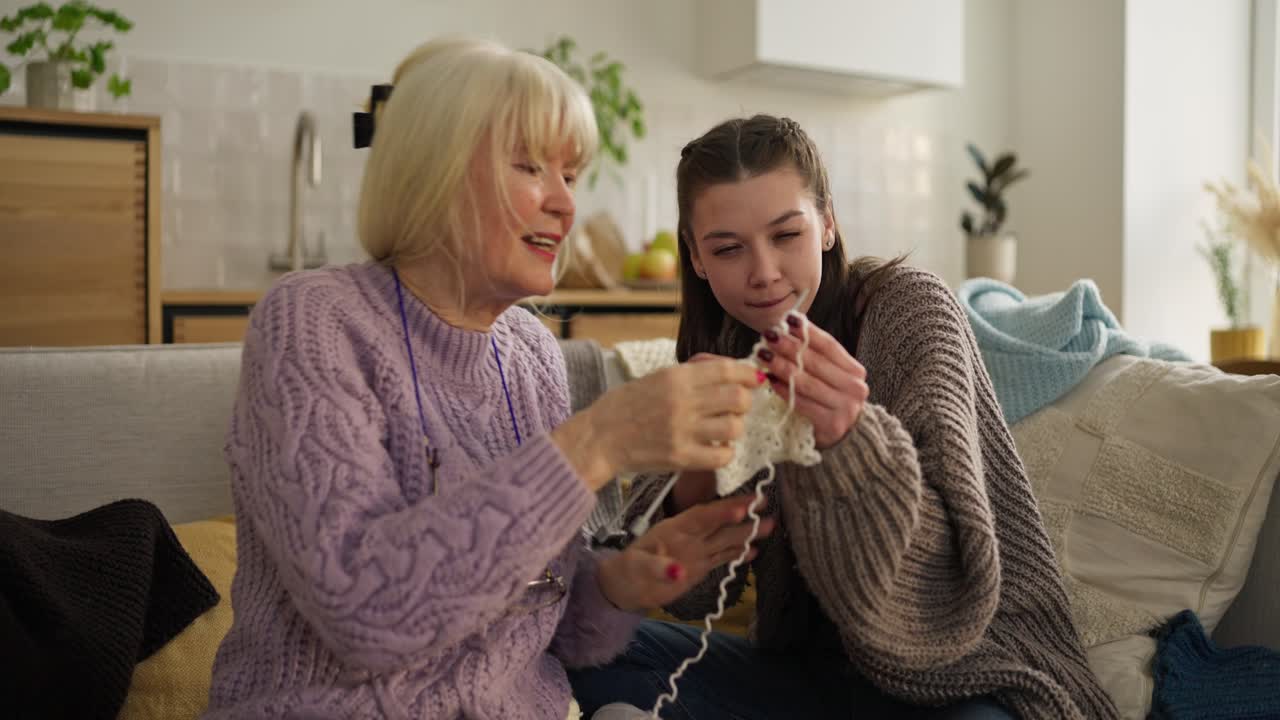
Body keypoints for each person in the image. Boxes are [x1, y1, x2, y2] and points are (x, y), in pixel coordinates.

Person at [204, 37, 776, 720]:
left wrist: (622, 583)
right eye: (532, 166)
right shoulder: (313, 323)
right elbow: (365, 614)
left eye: (572, 174)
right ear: (431, 169)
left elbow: (536, 622)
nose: (566, 204)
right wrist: (596, 443)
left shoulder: (531, 354)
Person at [568, 115, 1120, 720]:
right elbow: (690, 594)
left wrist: (849, 440)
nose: (764, 273)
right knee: (579, 649)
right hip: (807, 679)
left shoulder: (909, 309)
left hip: (969, 670)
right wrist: (697, 470)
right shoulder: (730, 344)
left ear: (827, 224)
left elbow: (943, 591)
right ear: (696, 258)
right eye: (728, 248)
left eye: (786, 235)